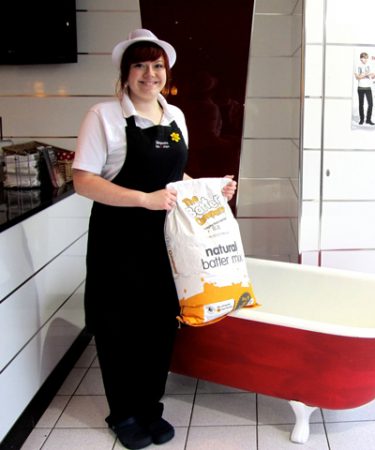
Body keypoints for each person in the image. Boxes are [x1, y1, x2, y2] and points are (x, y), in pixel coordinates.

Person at [72, 29, 237, 450]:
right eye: (140, 66)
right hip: (118, 237)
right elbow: (83, 181)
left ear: (167, 71)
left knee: (160, 323)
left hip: (167, 240)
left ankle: (149, 407)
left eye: (157, 65)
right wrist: (144, 199)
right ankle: (124, 413)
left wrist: (208, 190)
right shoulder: (103, 116)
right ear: (126, 73)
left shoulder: (175, 115)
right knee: (119, 325)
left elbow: (174, 178)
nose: (150, 74)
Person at [354, 52, 375, 125]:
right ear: (360, 58)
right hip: (360, 87)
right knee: (361, 104)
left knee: (370, 104)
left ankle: (368, 120)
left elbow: (372, 77)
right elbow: (357, 77)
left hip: (368, 87)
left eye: (366, 58)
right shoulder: (357, 66)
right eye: (364, 58)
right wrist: (366, 74)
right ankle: (361, 119)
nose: (365, 60)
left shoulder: (369, 66)